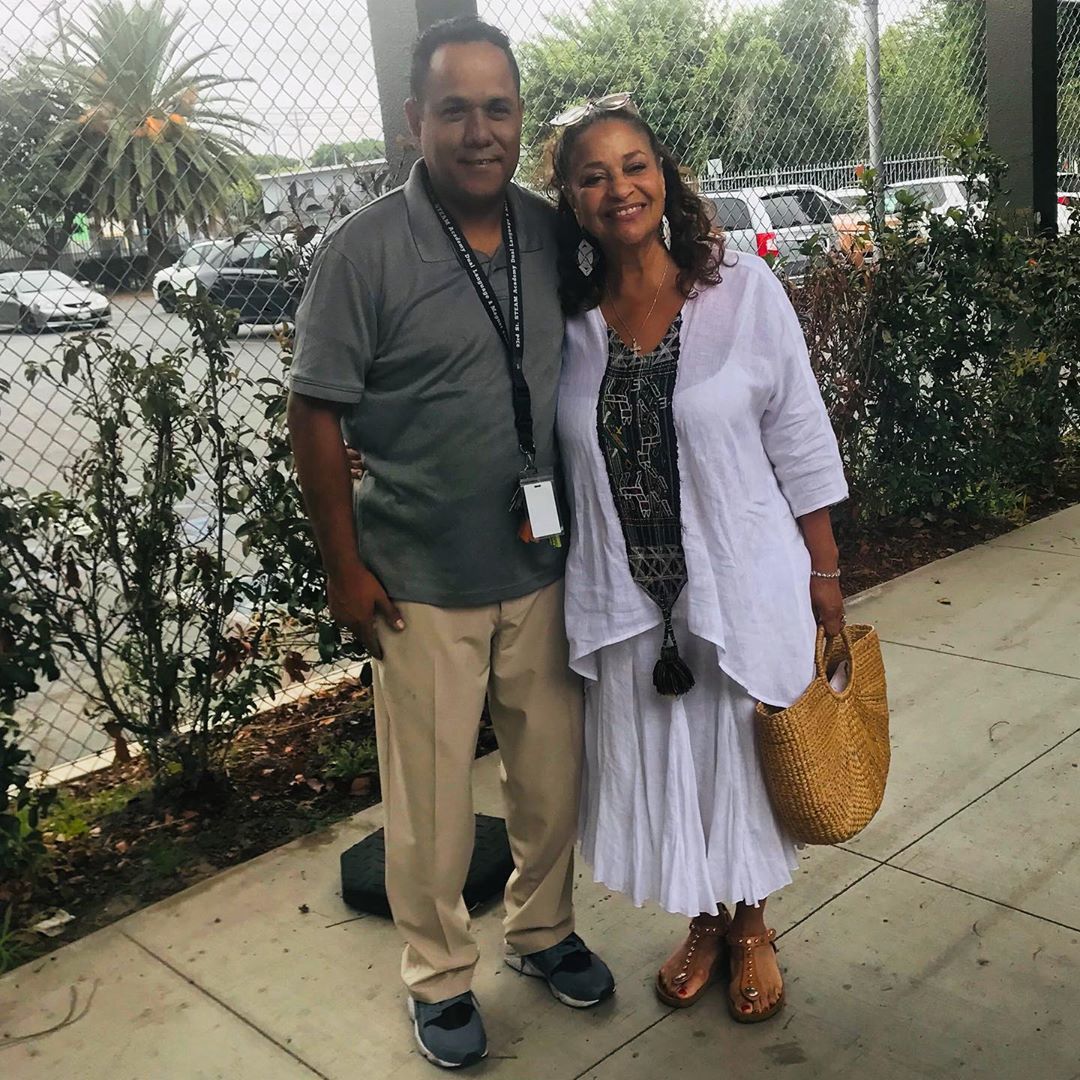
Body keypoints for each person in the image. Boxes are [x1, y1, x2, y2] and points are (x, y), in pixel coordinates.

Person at [287, 17, 613, 1071]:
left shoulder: (549, 233)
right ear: (413, 120)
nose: (481, 131)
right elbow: (315, 414)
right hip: (420, 580)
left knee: (551, 778)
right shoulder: (363, 252)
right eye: (456, 109)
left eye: (499, 108)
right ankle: (437, 976)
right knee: (429, 802)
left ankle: (542, 931)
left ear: (521, 117)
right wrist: (344, 567)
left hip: (543, 562)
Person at [546, 97, 848, 1024]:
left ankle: (751, 926)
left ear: (663, 176)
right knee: (672, 768)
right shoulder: (568, 325)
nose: (619, 188)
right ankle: (705, 921)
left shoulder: (741, 293)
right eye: (593, 175)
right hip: (633, 601)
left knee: (737, 763)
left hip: (733, 583)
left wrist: (825, 574)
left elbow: (799, 432)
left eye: (633, 165)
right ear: (572, 201)